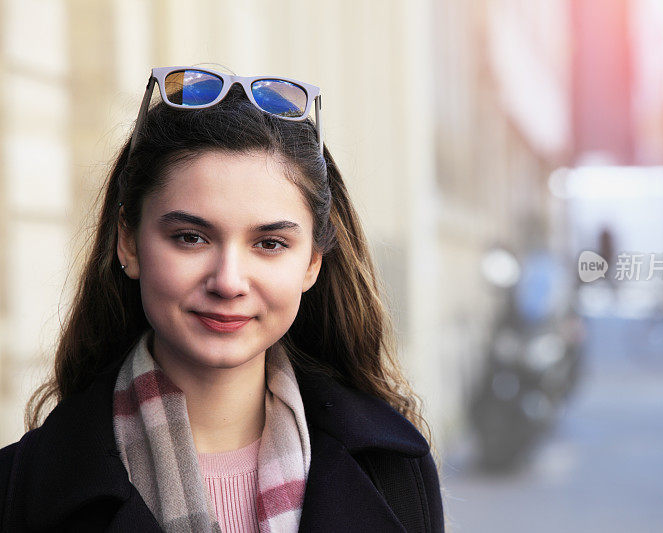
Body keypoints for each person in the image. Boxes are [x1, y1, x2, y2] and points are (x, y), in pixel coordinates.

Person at [0, 66, 444, 532]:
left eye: (269, 243)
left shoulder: (394, 472)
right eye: (191, 237)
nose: (228, 282)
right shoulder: (21, 492)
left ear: (312, 263)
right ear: (128, 242)